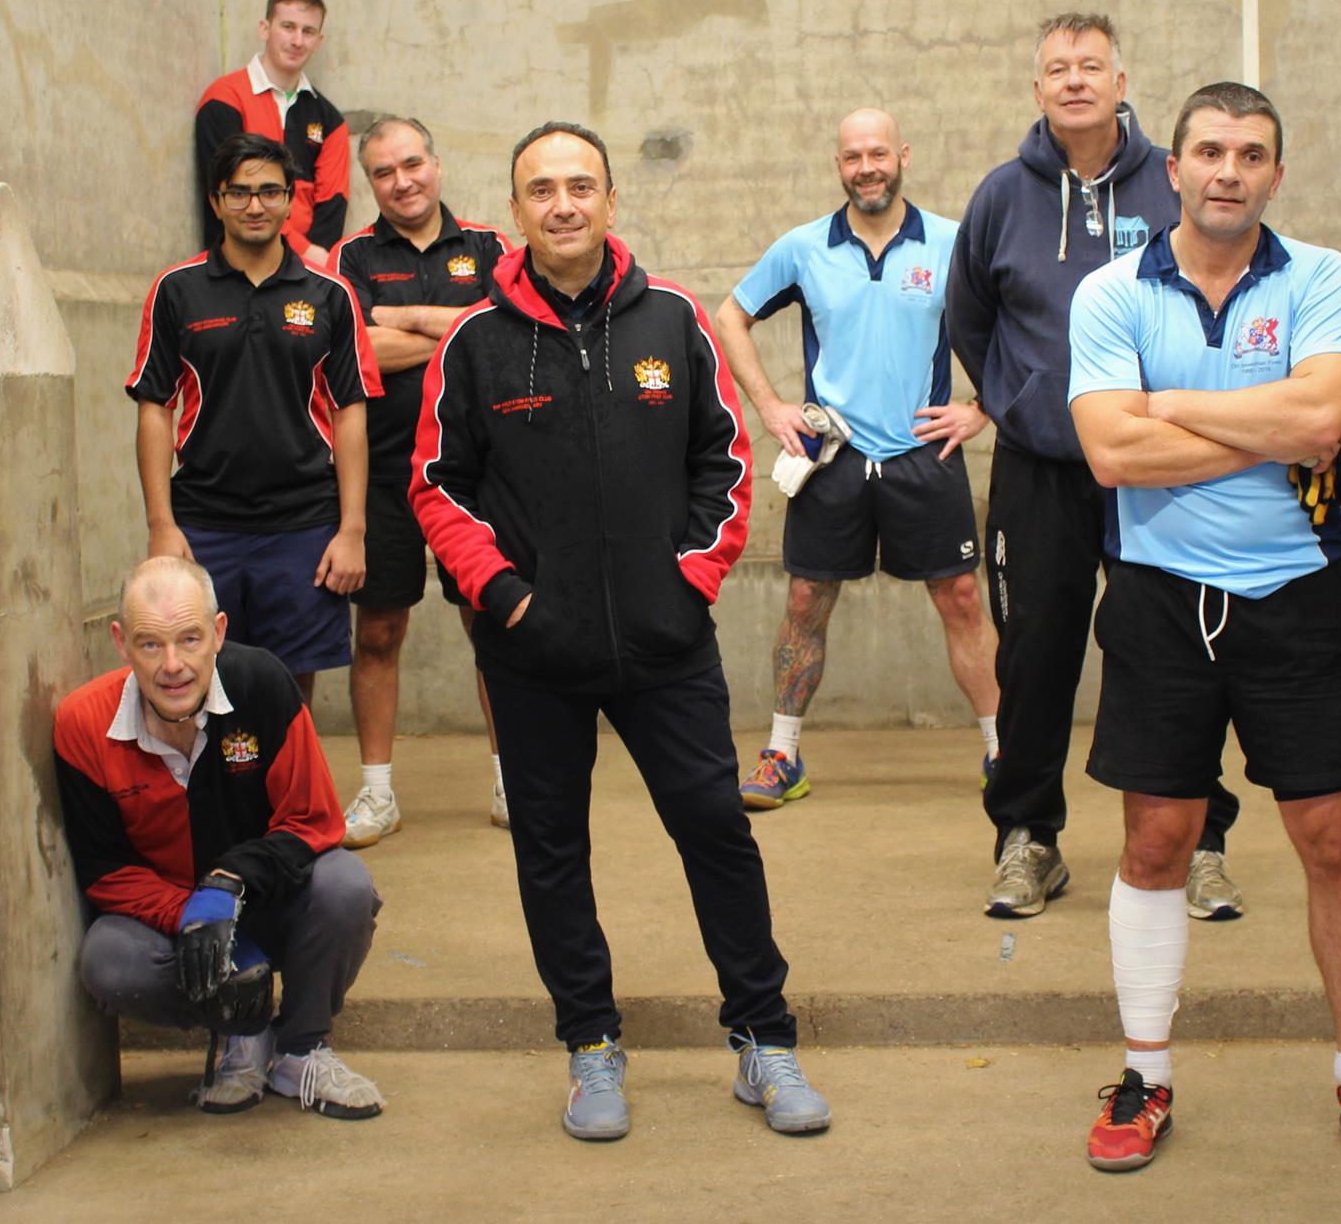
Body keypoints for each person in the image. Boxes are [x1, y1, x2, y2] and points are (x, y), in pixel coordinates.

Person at [410, 121, 828, 1142]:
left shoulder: (674, 320)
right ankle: (590, 1044)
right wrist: (505, 596)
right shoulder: (475, 341)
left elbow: (723, 461)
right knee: (552, 850)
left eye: (581, 184)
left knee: (716, 832)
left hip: (665, 645)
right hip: (532, 653)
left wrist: (687, 582)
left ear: (608, 200)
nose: (564, 203)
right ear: (514, 211)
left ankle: (762, 1036)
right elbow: (436, 484)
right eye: (542, 188)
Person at [1067, 83, 1341, 1174]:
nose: (1228, 170)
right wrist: (1266, 425)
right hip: (1160, 596)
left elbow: (1324, 418)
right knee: (1156, 840)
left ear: (1276, 171)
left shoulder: (1317, 275)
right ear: (1171, 168)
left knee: (1334, 841)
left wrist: (1166, 400)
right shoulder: (1111, 290)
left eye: (1251, 153)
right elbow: (1111, 457)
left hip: (1296, 594)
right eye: (1209, 151)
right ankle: (1145, 1074)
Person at [945, 13, 1247, 921]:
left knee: (1174, 653)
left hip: (1157, 468)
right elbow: (970, 319)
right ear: (1036, 90)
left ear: (1122, 81)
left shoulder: (1171, 184)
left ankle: (1201, 836)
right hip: (1042, 471)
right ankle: (1027, 837)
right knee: (1034, 657)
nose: (1074, 80)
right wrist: (1022, 396)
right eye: (1055, 68)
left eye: (1091, 66)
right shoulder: (1001, 196)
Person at [711, 107, 997, 809]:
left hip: (922, 453)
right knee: (806, 599)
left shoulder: (952, 245)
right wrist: (771, 406)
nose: (865, 167)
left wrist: (981, 407)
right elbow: (729, 317)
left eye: (877, 153)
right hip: (831, 456)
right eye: (851, 157)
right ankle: (782, 756)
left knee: (961, 599)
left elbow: (1013, 328)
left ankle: (1003, 750)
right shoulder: (804, 248)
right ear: (838, 165)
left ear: (901, 154)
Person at [54, 556, 383, 1119]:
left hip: (266, 899)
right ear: (120, 643)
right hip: (171, 923)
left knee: (345, 887)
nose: (173, 665)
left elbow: (314, 820)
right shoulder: (82, 723)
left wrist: (230, 882)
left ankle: (302, 1048)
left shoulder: (262, 683)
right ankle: (242, 1034)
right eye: (150, 645)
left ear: (219, 632)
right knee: (108, 961)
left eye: (189, 638)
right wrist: (193, 915)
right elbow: (106, 871)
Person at [130, 131, 377, 701]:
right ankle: (213, 795)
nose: (255, 206)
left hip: (305, 528)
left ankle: (283, 794)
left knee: (288, 693)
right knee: (195, 684)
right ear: (216, 202)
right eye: (238, 193)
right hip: (203, 526)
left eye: (270, 191)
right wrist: (161, 525)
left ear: (291, 200)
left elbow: (349, 416)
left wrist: (352, 529)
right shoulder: (176, 290)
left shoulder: (329, 295)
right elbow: (155, 408)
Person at [331, 114, 511, 841]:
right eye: (382, 171)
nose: (401, 181)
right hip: (381, 477)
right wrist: (456, 327)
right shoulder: (347, 256)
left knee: (491, 626)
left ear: (436, 165)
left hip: (480, 476)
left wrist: (402, 315)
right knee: (377, 630)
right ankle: (377, 793)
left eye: (411, 164)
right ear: (368, 182)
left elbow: (503, 333)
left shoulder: (491, 247)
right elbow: (354, 350)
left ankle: (512, 779)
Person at [193, 0, 351, 265]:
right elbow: (226, 192)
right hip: (235, 264)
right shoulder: (225, 99)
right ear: (264, 28)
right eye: (288, 27)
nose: (297, 40)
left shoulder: (330, 120)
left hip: (304, 273)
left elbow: (333, 202)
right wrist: (301, 250)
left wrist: (311, 262)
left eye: (308, 31)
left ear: (319, 41)